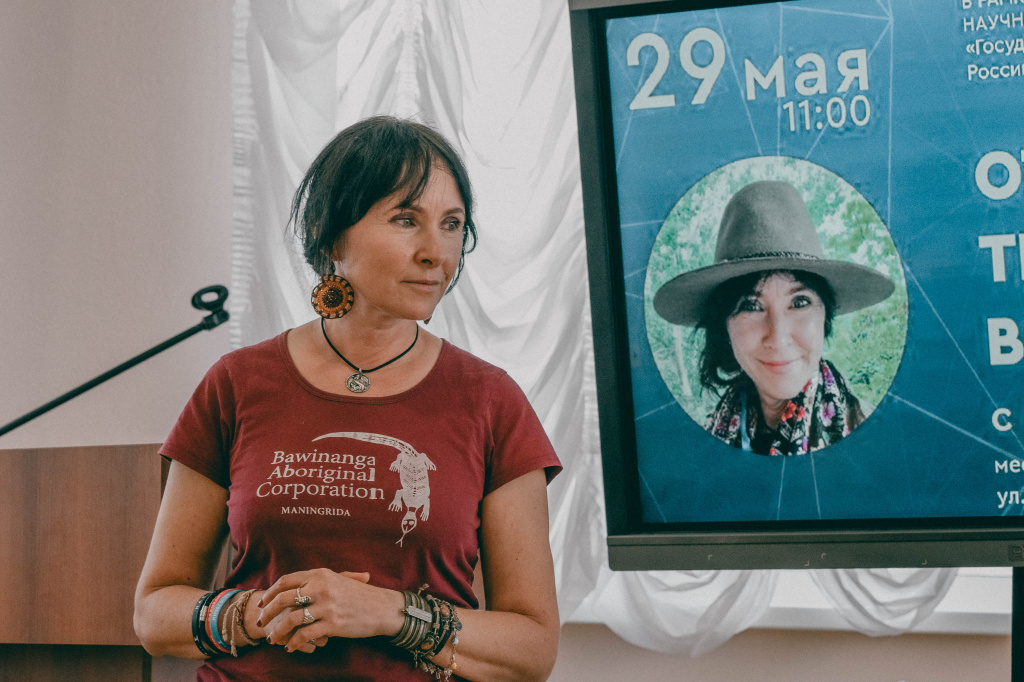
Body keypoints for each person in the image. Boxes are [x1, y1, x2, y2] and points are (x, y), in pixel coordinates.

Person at [134, 116, 562, 681]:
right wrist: (266, 613)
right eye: (406, 220)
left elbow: (532, 650)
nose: (436, 252)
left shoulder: (491, 400)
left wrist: (389, 613)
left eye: (452, 224)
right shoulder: (237, 383)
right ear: (331, 234)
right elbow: (154, 614)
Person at [652, 180, 895, 456]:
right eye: (751, 306)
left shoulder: (880, 444)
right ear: (725, 326)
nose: (778, 338)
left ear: (825, 317)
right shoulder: (703, 446)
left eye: (799, 302)